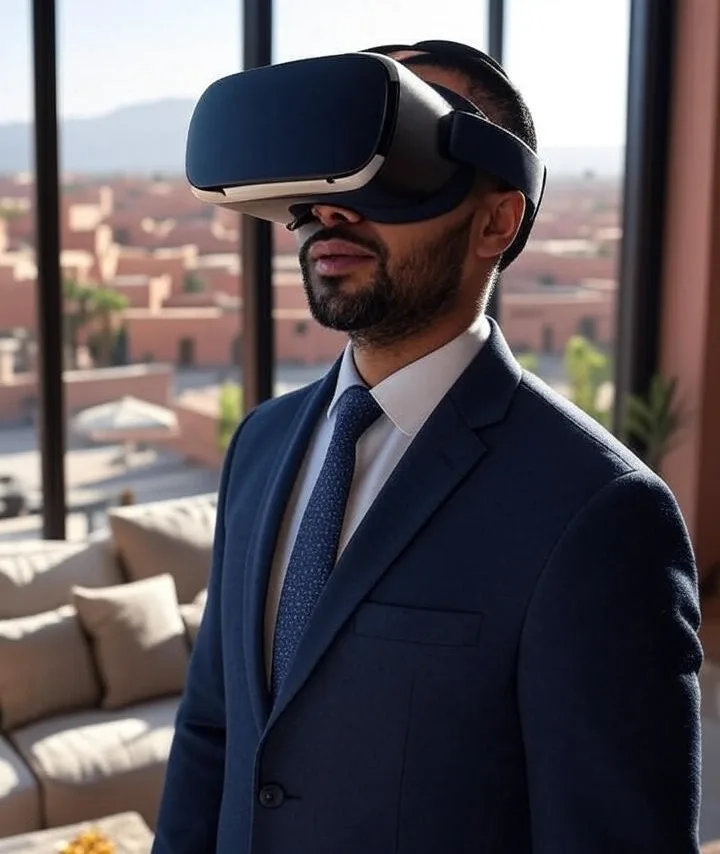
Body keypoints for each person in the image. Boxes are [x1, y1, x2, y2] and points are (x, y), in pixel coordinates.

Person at [152, 40, 702, 854]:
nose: (333, 206)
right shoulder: (260, 446)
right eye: (326, 165)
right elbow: (213, 731)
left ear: (497, 218)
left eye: (396, 155)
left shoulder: (599, 513)